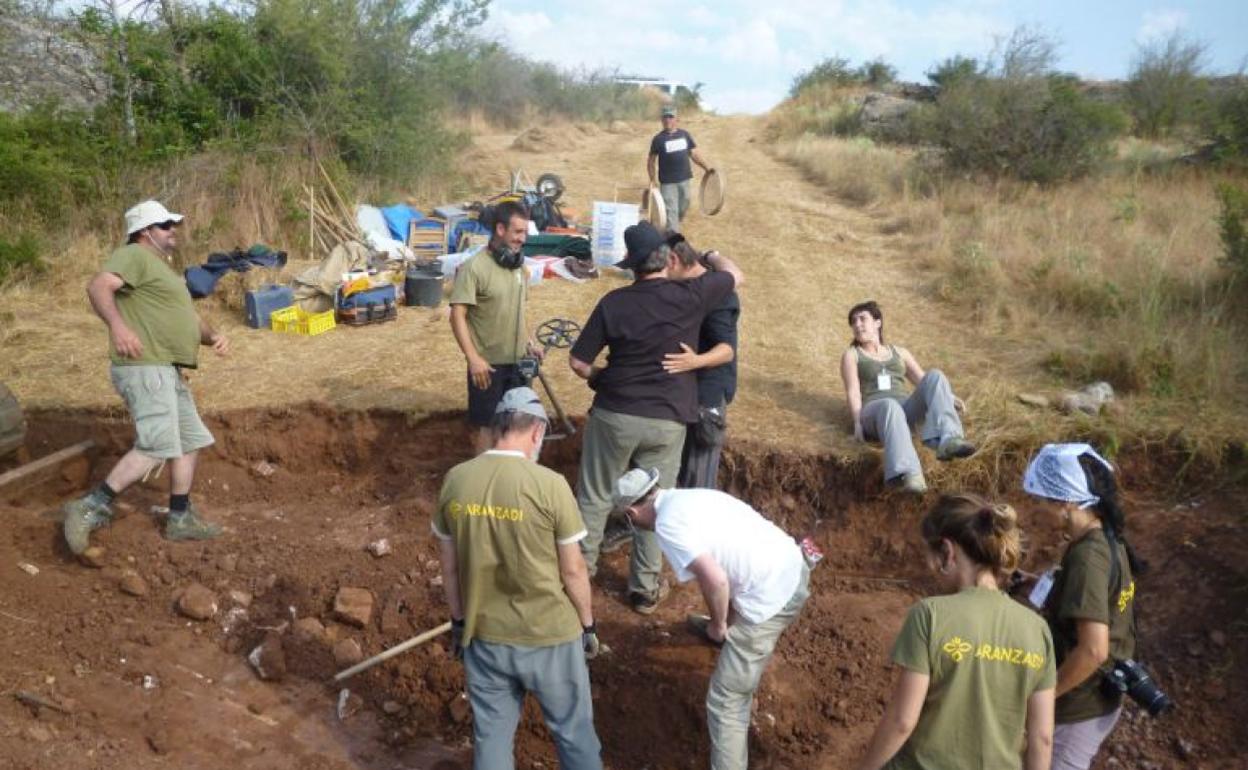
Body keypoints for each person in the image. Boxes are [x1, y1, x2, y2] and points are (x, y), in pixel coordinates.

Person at [568, 221, 743, 614]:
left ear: (631, 266)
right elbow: (735, 275)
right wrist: (710, 254)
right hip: (668, 419)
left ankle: (579, 574)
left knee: (594, 497)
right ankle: (645, 589)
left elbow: (579, 362)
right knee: (655, 502)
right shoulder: (692, 296)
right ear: (668, 259)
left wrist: (601, 378)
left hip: (614, 412)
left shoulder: (613, 303)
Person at [432, 386, 603, 770]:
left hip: (486, 636)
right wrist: (588, 625)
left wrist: (460, 622)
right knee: (574, 736)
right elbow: (573, 569)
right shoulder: (551, 486)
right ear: (538, 431)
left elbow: (450, 566)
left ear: (497, 429)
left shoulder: (457, 480)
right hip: (551, 638)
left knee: (491, 739)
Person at [613, 468, 809, 770]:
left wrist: (719, 626)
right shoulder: (686, 497)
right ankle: (723, 630)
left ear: (631, 512)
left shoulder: (667, 525)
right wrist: (721, 620)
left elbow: (716, 580)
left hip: (773, 596)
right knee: (723, 605)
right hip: (791, 563)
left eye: (628, 520)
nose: (634, 525)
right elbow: (724, 570)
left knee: (726, 700)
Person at [62, 200, 227, 555]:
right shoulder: (134, 255)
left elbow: (187, 316)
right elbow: (98, 286)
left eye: (173, 225)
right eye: (166, 225)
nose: (173, 231)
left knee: (189, 439)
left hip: (168, 368)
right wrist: (119, 327)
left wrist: (212, 337)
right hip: (145, 365)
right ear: (145, 232)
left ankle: (180, 518)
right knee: (156, 445)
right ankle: (90, 505)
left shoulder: (163, 271)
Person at [855, 494, 1056, 770]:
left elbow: (902, 721)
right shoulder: (1037, 629)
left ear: (948, 552)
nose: (930, 568)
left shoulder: (929, 615)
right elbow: (1042, 738)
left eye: (930, 556)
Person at [1023, 444, 1141, 770]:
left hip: (1079, 707)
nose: (1036, 510)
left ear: (1065, 502)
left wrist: (1042, 698)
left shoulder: (1088, 557)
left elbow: (1093, 651)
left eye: (1040, 500)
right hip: (1093, 700)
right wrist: (1034, 584)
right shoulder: (1103, 537)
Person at [839, 300, 975, 495]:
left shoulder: (899, 352)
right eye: (853, 321)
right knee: (889, 405)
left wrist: (948, 395)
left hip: (904, 410)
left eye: (862, 319)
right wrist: (857, 423)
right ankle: (909, 474)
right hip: (875, 411)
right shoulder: (852, 355)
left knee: (935, 374)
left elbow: (922, 380)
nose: (857, 324)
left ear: (878, 322)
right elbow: (852, 390)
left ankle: (949, 440)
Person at [450, 200, 539, 453]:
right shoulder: (474, 268)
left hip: (519, 364)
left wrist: (529, 342)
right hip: (486, 367)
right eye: (518, 232)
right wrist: (473, 358)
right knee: (489, 431)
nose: (523, 239)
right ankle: (482, 489)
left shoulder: (520, 267)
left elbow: (520, 310)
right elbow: (457, 315)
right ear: (500, 229)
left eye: (524, 233)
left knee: (517, 428)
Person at [661, 233, 739, 489]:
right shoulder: (689, 287)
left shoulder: (718, 294)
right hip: (684, 395)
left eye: (660, 266)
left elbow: (726, 350)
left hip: (707, 399)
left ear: (673, 261)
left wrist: (695, 361)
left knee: (698, 481)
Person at [647, 105, 712, 232]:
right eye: (665, 117)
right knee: (671, 211)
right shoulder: (658, 139)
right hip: (667, 182)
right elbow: (651, 161)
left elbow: (694, 154)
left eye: (670, 117)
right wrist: (652, 180)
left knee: (685, 204)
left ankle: (671, 226)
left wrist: (706, 168)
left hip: (684, 179)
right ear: (661, 120)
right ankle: (673, 238)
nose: (668, 120)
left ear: (677, 119)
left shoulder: (684, 135)